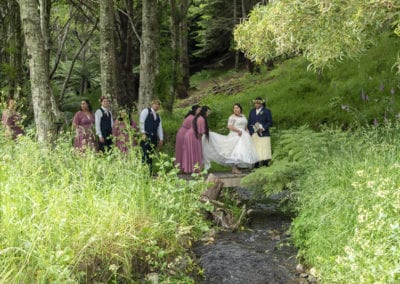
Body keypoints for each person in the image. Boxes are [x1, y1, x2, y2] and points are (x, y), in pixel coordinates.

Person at [202, 103, 258, 173]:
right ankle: (234, 168)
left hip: (244, 135)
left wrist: (248, 132)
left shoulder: (243, 116)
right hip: (236, 134)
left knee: (244, 151)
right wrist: (238, 130)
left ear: (240, 108)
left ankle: (242, 166)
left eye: (237, 108)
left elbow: (245, 126)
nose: (236, 109)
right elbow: (229, 126)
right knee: (235, 151)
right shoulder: (232, 117)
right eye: (234, 108)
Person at [181, 106, 210, 174]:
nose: (208, 113)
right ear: (205, 112)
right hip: (192, 136)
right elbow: (201, 131)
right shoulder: (201, 119)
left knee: (193, 152)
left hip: (192, 135)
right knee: (195, 152)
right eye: (208, 112)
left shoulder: (199, 118)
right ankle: (196, 169)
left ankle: (193, 169)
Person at [175, 104, 201, 171]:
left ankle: (184, 168)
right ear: (195, 110)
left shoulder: (193, 117)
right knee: (183, 151)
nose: (200, 111)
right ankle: (183, 168)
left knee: (184, 151)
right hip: (183, 135)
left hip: (185, 133)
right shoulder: (192, 118)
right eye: (199, 110)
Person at [248, 97, 273, 167]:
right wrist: (251, 131)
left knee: (264, 149)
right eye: (255, 103)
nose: (256, 105)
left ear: (262, 103)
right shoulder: (252, 111)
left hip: (264, 133)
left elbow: (270, 122)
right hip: (254, 133)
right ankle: (256, 165)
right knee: (255, 149)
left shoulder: (267, 111)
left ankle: (265, 165)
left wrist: (263, 128)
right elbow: (249, 122)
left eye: (258, 103)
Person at [139, 99, 164, 171]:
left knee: (151, 155)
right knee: (145, 154)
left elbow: (159, 128)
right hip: (146, 136)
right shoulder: (146, 111)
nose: (157, 105)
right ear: (152, 104)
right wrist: (143, 133)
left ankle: (149, 172)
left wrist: (161, 138)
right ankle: (143, 172)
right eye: (155, 104)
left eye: (158, 104)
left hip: (154, 137)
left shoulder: (158, 116)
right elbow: (141, 121)